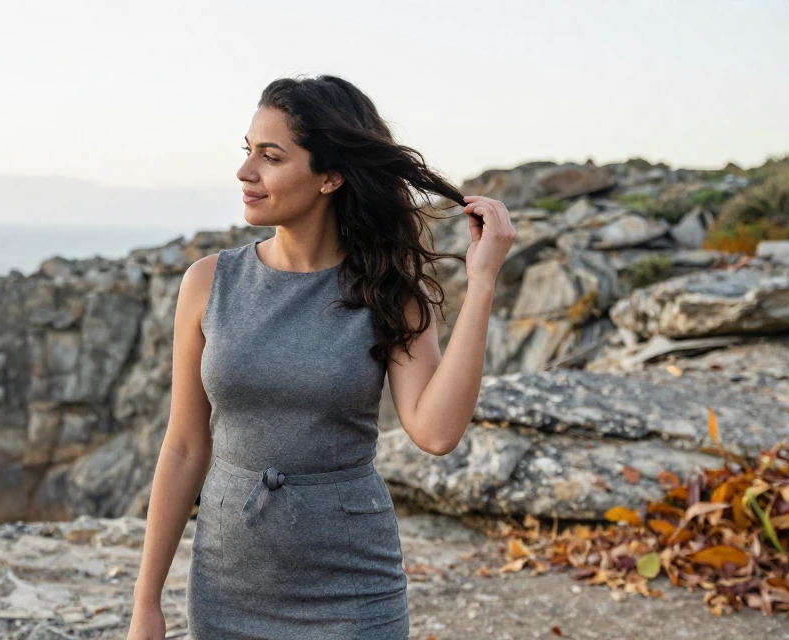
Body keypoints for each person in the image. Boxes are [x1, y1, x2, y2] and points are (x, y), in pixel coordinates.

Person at [126, 74, 516, 640]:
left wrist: (480, 284)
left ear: (331, 176)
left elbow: (435, 432)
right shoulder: (208, 283)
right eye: (247, 151)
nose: (245, 173)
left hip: (353, 596)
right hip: (227, 591)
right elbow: (185, 445)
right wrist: (147, 604)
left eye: (271, 156)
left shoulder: (389, 290)